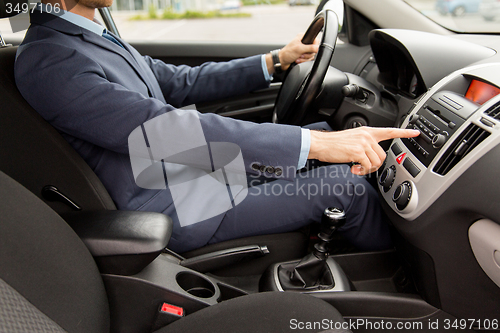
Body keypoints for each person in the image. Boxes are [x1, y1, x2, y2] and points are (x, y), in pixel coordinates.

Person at [14, 0, 419, 253]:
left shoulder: (88, 38)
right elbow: (159, 128)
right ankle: (402, 281)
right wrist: (312, 145)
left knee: (322, 133)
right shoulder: (51, 59)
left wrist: (278, 60)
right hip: (173, 202)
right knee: (344, 187)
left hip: (190, 176)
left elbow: (178, 83)